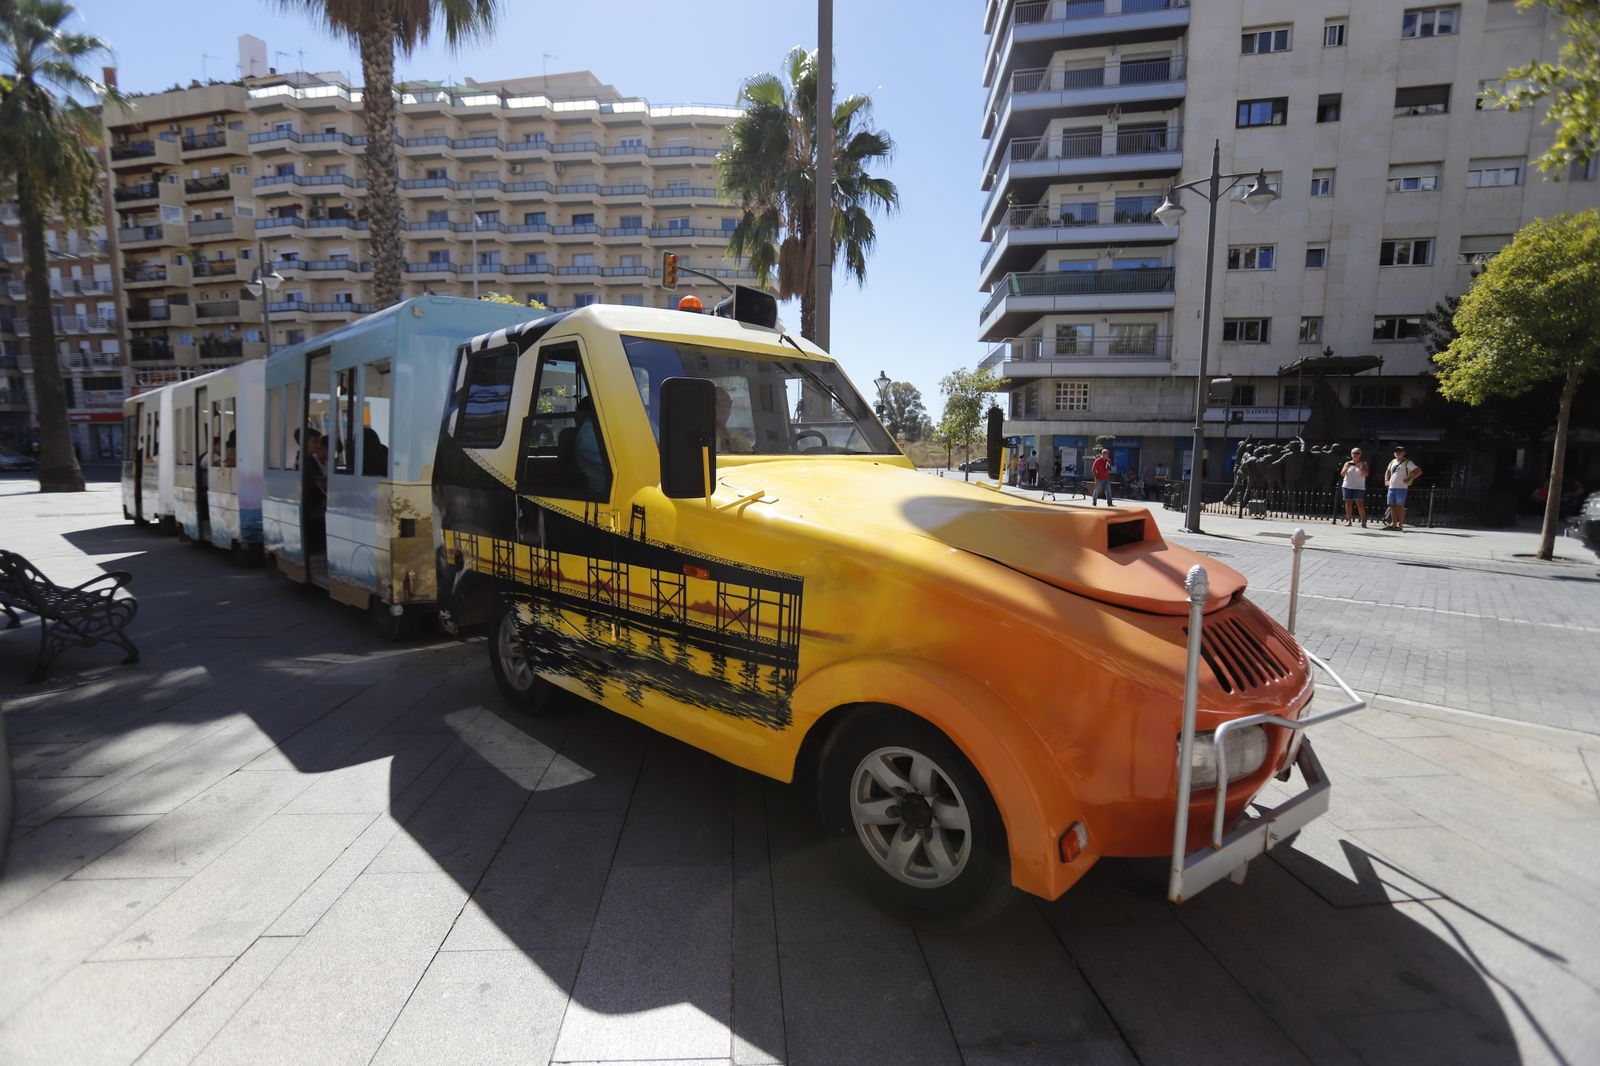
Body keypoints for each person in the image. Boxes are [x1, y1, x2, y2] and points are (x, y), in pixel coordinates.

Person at [1383, 445, 1421, 531]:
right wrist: (1386, 480)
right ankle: (1393, 524)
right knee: (1392, 506)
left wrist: (1410, 478)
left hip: (1401, 487)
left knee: (1400, 506)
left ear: (1404, 453)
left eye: (1400, 451)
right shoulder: (1392, 461)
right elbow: (1387, 471)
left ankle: (1400, 525)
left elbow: (1418, 471)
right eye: (1396, 451)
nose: (1397, 452)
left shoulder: (1407, 462)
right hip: (1392, 487)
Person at [714, 386, 751, 453]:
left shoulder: (739, 439)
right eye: (717, 402)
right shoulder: (701, 439)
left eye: (726, 402)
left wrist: (737, 453)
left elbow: (751, 458)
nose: (722, 406)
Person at [1339, 447, 1369, 527]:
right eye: (1354, 453)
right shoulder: (1347, 463)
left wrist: (1358, 466)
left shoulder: (1364, 463)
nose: (1355, 455)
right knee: (1348, 503)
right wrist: (1347, 467)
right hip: (1347, 485)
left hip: (1359, 487)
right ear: (1351, 454)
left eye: (1357, 453)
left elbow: (1366, 474)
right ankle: (1349, 520)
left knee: (1359, 503)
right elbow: (1342, 474)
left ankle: (1363, 521)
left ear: (1360, 454)